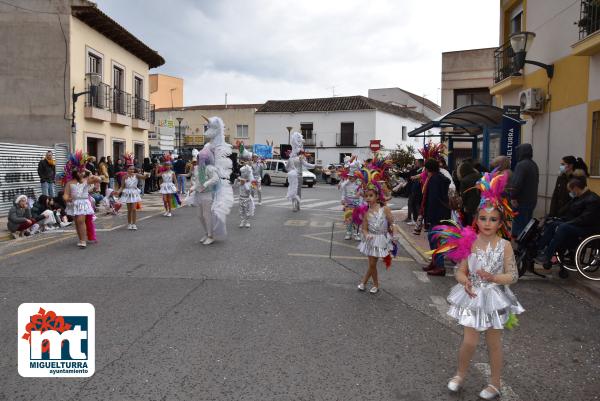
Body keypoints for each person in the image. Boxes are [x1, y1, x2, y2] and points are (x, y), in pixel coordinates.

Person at [432, 170, 523, 400]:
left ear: (501, 222)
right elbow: (459, 271)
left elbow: (513, 275)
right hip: (473, 296)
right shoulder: (470, 243)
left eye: (493, 219)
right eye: (483, 218)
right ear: (476, 219)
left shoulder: (505, 246)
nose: (487, 223)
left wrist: (493, 278)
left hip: (494, 297)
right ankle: (460, 375)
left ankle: (494, 384)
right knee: (469, 341)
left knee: (494, 343)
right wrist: (465, 283)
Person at [536, 176, 600, 268]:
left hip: (587, 228)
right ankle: (539, 249)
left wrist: (567, 223)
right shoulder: (579, 197)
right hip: (577, 224)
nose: (570, 193)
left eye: (570, 190)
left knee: (563, 227)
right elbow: (567, 211)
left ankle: (547, 255)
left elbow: (585, 219)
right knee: (553, 223)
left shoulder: (593, 199)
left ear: (576, 189)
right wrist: (553, 216)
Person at [355, 169, 395, 294]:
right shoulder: (365, 213)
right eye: (366, 196)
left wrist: (393, 228)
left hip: (382, 239)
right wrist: (367, 235)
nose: (368, 198)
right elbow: (364, 228)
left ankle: (366, 282)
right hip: (371, 240)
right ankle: (372, 284)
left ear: (377, 196)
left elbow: (391, 222)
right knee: (372, 263)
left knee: (372, 263)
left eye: (371, 196)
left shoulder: (385, 209)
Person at [63, 152, 101, 248]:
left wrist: (90, 173)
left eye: (82, 171)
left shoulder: (87, 180)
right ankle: (81, 239)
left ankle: (83, 241)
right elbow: (65, 195)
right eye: (79, 172)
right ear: (75, 172)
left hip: (83, 202)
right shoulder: (69, 183)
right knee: (77, 222)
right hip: (74, 203)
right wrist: (68, 198)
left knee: (80, 221)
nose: (81, 173)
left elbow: (99, 179)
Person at [421, 158, 451, 276]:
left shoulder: (434, 179)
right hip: (442, 213)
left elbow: (433, 200)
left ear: (427, 168)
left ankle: (440, 266)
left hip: (437, 214)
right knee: (433, 239)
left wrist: (428, 217)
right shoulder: (439, 177)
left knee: (436, 240)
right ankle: (434, 262)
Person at [509, 143, 539, 238]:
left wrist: (513, 196)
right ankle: (523, 245)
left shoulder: (521, 165)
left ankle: (521, 248)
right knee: (526, 225)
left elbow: (516, 183)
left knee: (520, 227)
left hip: (521, 201)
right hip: (531, 200)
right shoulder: (534, 164)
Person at [286, 131, 315, 211]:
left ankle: (296, 205)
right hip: (296, 176)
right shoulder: (295, 158)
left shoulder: (296, 158)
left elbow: (306, 164)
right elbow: (287, 168)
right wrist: (291, 172)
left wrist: (315, 165)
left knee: (295, 191)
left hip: (297, 176)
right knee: (295, 191)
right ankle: (295, 206)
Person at [115, 156, 146, 230]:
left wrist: (147, 175)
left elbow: (144, 177)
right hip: (127, 193)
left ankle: (134, 224)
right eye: (130, 169)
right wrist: (118, 192)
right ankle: (129, 223)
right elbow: (122, 187)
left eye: (133, 169)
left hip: (134, 192)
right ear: (127, 169)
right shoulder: (124, 177)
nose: (132, 170)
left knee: (134, 209)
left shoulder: (137, 175)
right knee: (129, 210)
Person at [340, 159, 362, 240]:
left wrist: (360, 201)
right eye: (350, 176)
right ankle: (348, 233)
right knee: (348, 219)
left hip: (357, 203)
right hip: (348, 203)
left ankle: (356, 233)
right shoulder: (346, 184)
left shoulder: (359, 184)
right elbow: (342, 191)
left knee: (357, 219)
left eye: (353, 176)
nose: (351, 178)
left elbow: (362, 194)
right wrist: (342, 199)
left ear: (356, 176)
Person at [457, 160, 482, 226]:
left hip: (470, 206)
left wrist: (464, 205)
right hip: (481, 204)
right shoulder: (480, 176)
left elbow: (464, 195)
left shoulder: (464, 180)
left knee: (471, 224)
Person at [235, 161, 255, 228]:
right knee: (241, 211)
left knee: (247, 211)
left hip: (247, 198)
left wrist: (246, 184)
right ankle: (242, 221)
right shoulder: (240, 180)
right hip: (240, 197)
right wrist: (237, 181)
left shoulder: (251, 181)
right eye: (242, 172)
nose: (243, 174)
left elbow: (252, 190)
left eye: (244, 172)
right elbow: (234, 186)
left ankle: (247, 222)